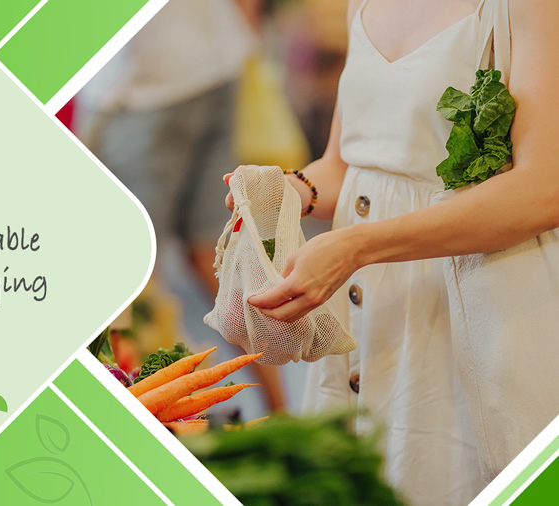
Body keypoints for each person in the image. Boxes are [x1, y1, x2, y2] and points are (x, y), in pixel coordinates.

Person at [226, 0, 559, 503]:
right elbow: (348, 166)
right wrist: (287, 191)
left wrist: (359, 246)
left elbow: (543, 189)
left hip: (475, 314)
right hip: (369, 316)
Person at [78, 0, 287, 412]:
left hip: (143, 85)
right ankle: (284, 412)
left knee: (124, 273)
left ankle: (123, 423)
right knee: (214, 256)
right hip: (215, 60)